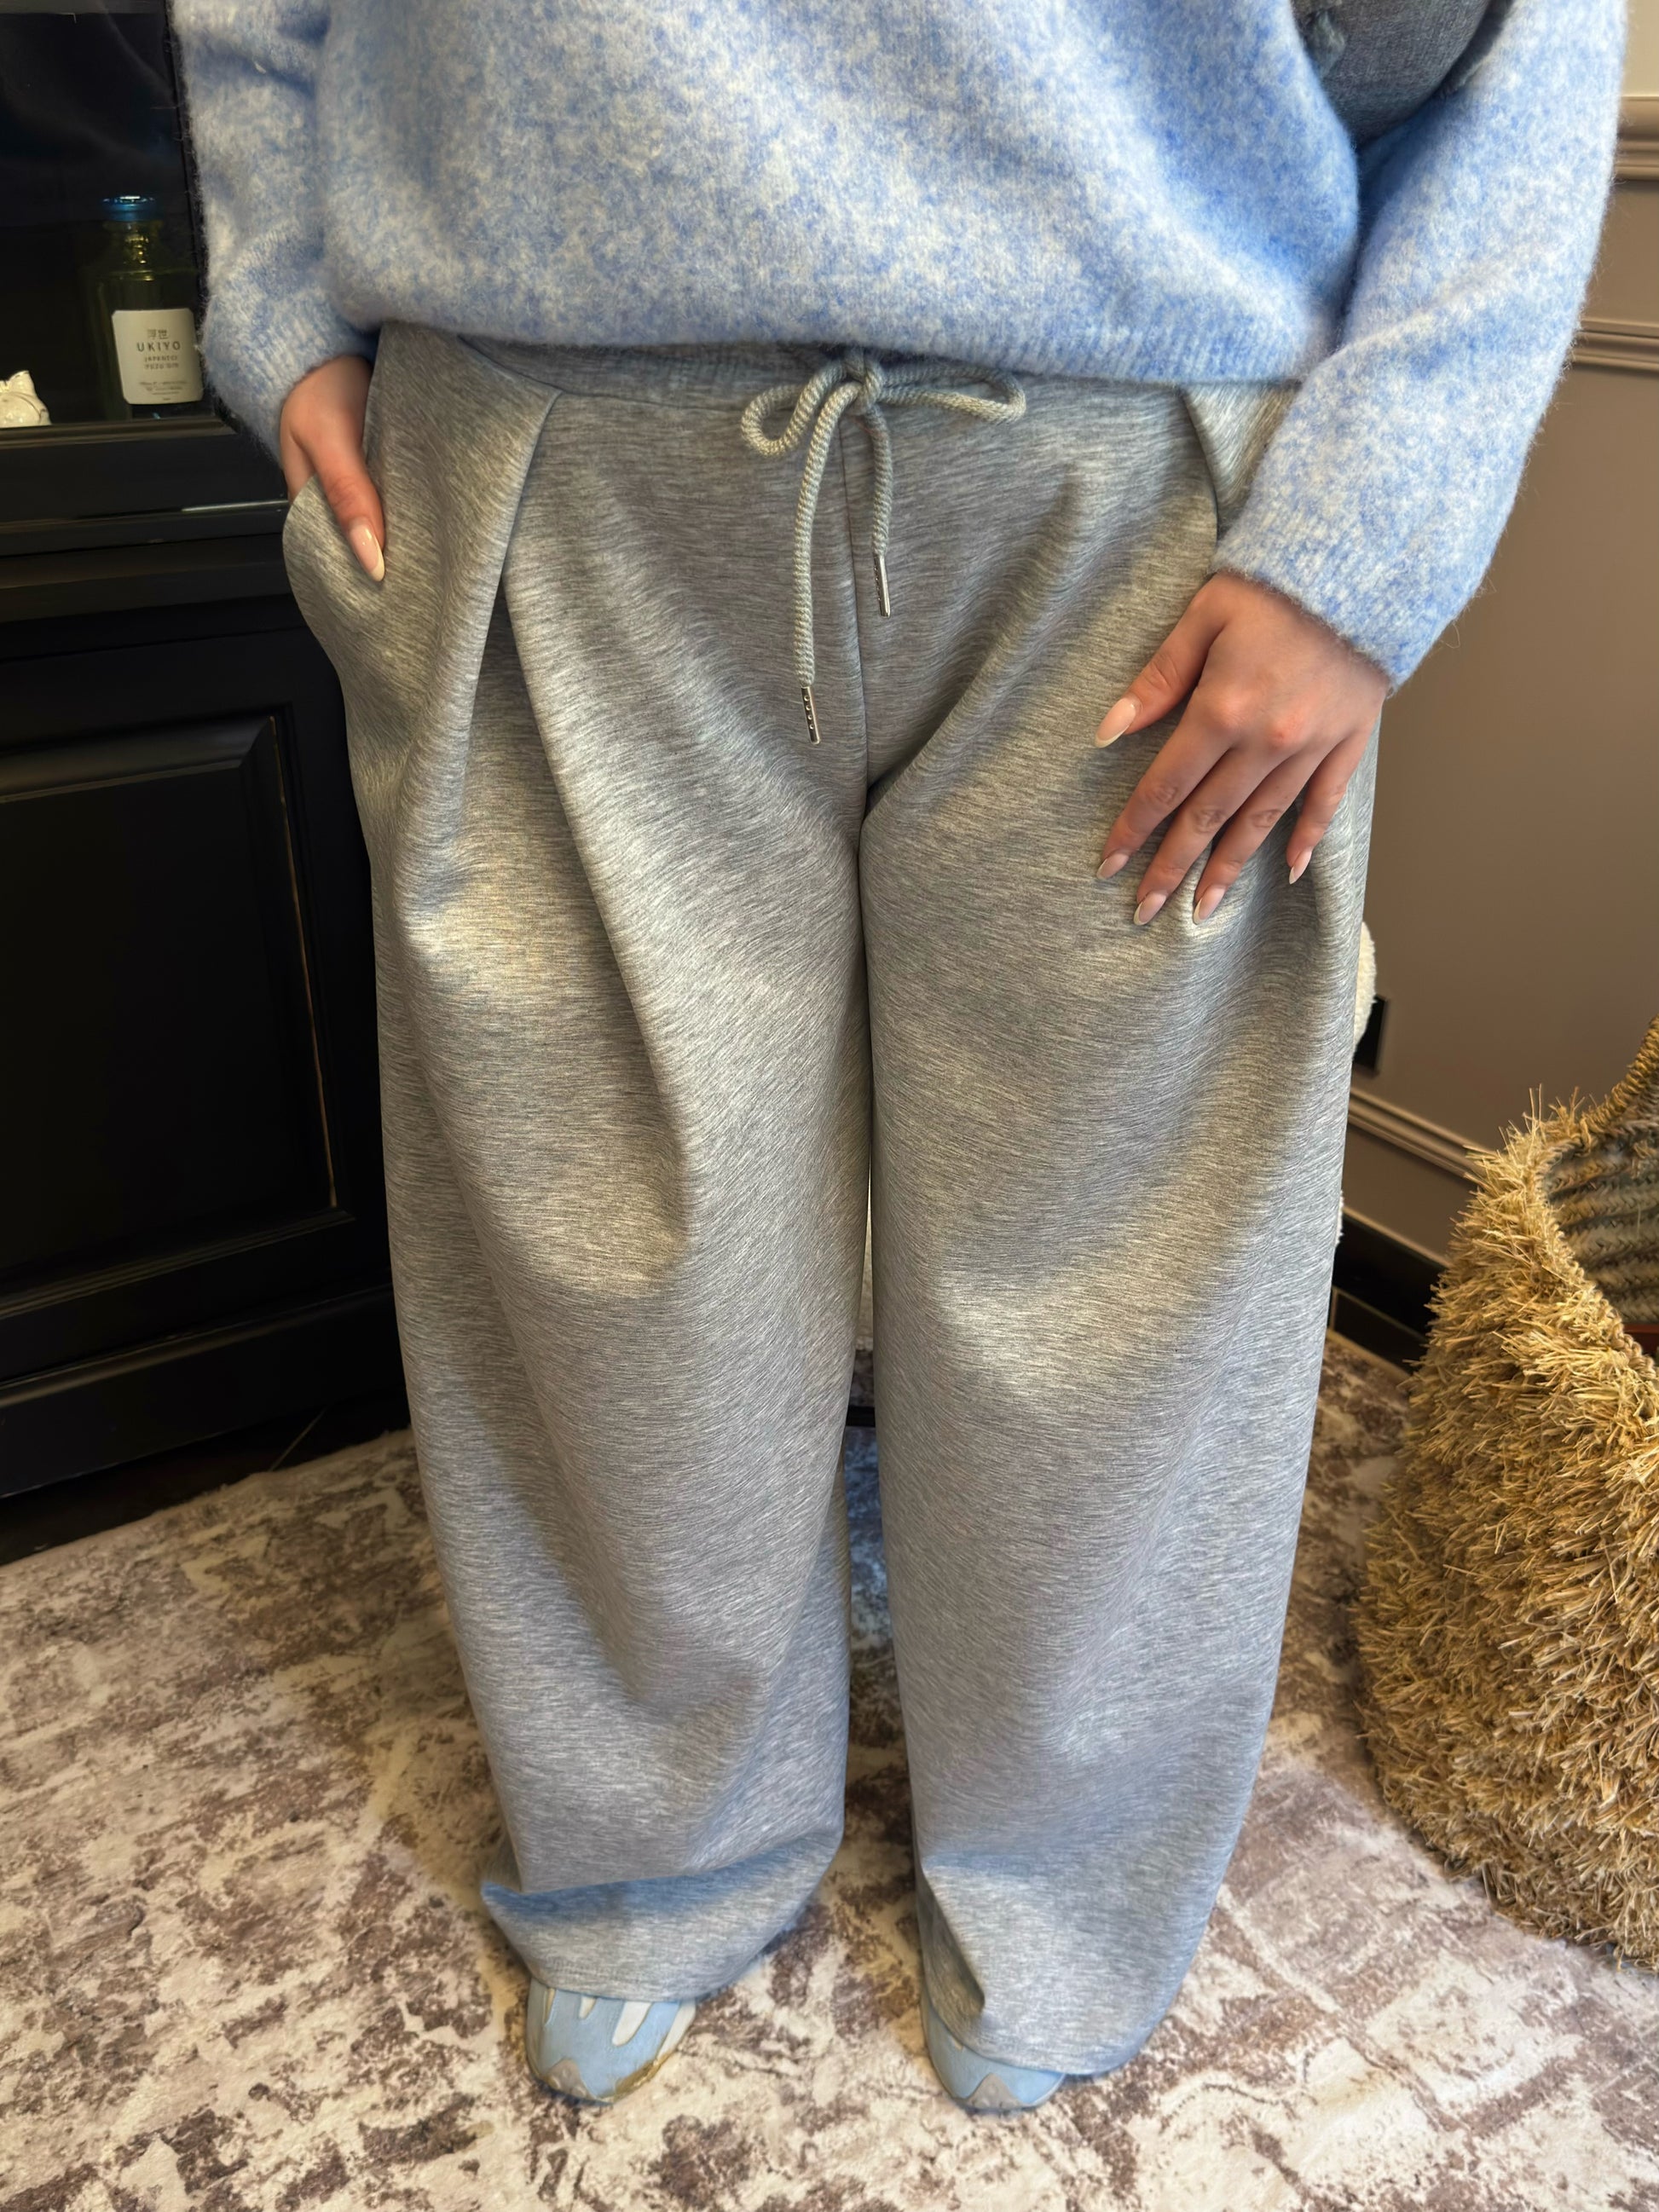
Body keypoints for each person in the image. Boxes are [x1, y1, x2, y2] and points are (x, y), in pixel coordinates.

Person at [173, 0, 1622, 2113]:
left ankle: (1063, 1871)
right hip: (549, 423)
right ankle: (651, 1844)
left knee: (1112, 1271)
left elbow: (1519, 39)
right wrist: (282, 293)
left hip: (1136, 466)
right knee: (602, 1229)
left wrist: (1374, 524)